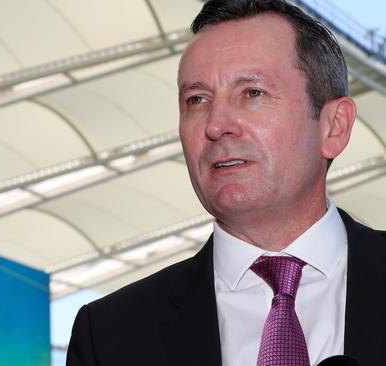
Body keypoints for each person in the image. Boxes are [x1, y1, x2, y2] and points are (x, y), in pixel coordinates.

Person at [66, 0, 386, 365]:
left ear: (334, 126)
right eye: (196, 99)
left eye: (252, 93)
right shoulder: (110, 334)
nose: (216, 124)